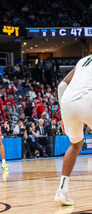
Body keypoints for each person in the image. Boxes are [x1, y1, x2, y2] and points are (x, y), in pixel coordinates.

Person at [55, 56, 92, 206]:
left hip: (68, 102)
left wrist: (63, 116)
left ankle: (62, 191)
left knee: (75, 145)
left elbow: (61, 87)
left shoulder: (83, 60)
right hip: (87, 97)